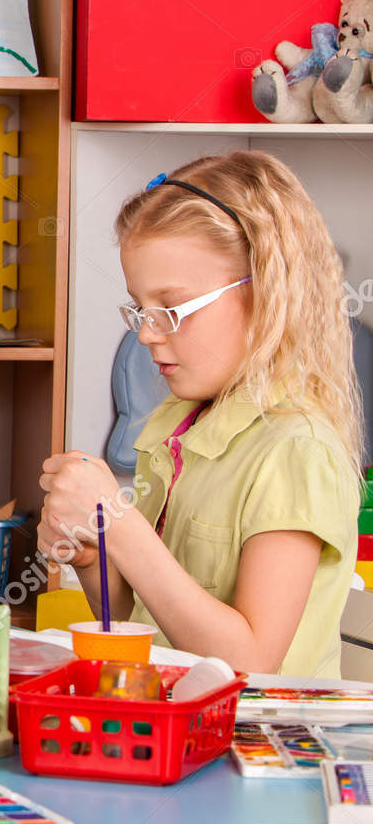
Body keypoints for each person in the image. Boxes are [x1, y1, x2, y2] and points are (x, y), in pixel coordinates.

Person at [39, 153, 362, 676]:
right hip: (178, 729)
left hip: (260, 742)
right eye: (140, 309)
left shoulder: (296, 450)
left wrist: (118, 524)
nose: (146, 332)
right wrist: (96, 557)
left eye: (170, 308)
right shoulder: (177, 425)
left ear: (267, 294)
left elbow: (250, 660)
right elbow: (148, 619)